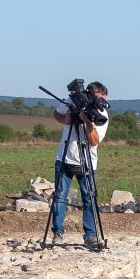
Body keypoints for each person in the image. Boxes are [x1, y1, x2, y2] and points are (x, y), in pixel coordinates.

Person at [50, 81, 110, 250]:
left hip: (88, 161)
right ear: (91, 94)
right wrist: (66, 119)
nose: (100, 104)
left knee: (89, 198)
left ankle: (90, 235)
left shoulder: (102, 114)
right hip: (65, 157)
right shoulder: (72, 101)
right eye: (99, 99)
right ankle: (57, 233)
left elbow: (94, 141)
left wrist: (88, 122)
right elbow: (56, 113)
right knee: (60, 197)